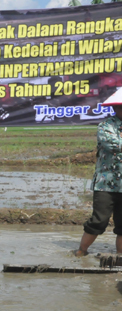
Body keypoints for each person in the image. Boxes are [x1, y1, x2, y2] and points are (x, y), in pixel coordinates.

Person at [76, 89, 122, 256]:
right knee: (98, 221)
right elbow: (114, 145)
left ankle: (120, 259)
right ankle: (81, 252)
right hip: (106, 184)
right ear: (116, 109)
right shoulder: (106, 126)